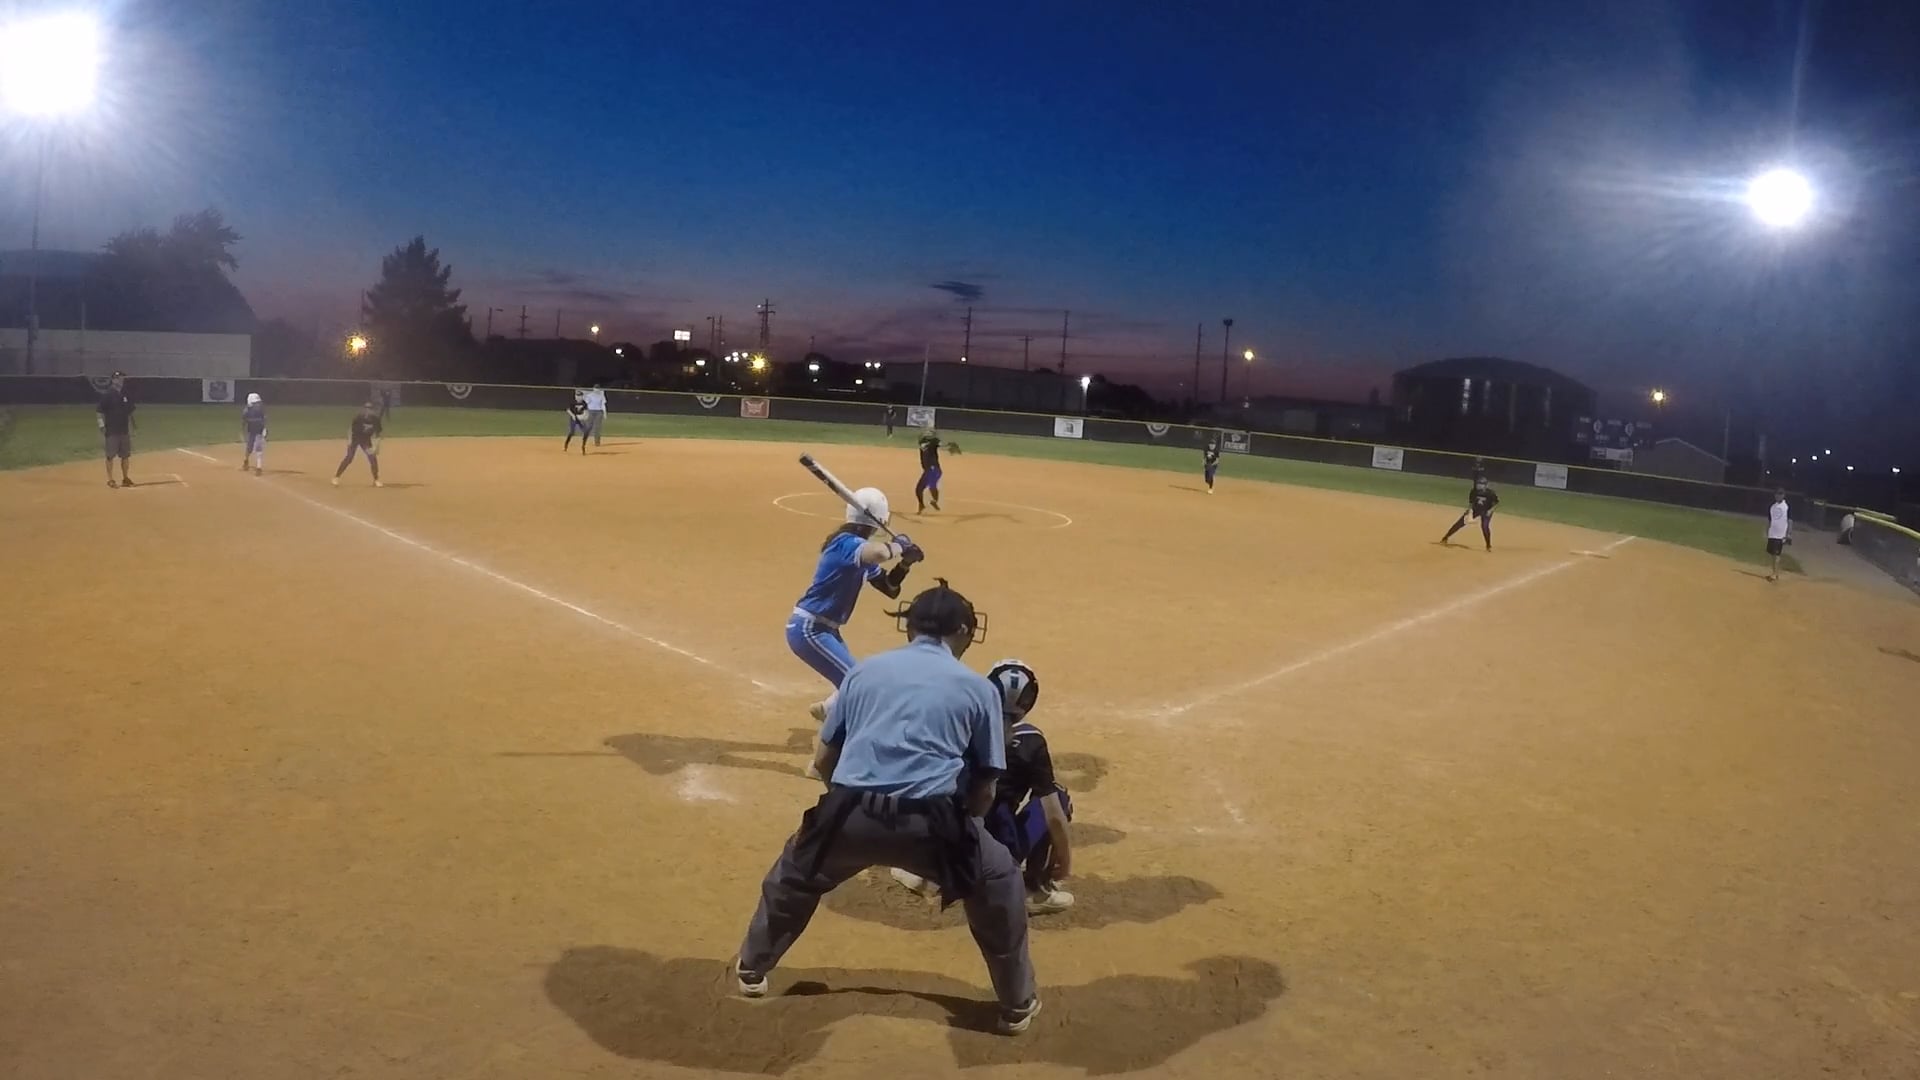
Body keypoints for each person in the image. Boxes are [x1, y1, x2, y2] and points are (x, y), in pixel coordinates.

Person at [733, 580, 1042, 1035]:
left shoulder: (863, 673)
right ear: (962, 630)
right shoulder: (978, 689)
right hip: (933, 825)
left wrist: (846, 810)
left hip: (849, 814)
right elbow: (984, 788)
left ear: (909, 626)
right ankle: (1016, 1004)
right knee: (999, 881)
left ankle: (752, 968)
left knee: (793, 875)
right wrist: (966, 834)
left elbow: (824, 760)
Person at [894, 659, 1076, 915]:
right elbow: (1053, 815)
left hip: (938, 841)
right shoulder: (1030, 742)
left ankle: (923, 870)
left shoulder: (957, 724)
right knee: (1058, 796)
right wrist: (1065, 861)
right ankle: (1033, 890)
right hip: (993, 853)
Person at [787, 488, 923, 746]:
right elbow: (880, 553)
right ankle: (832, 747)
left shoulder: (859, 551)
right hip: (809, 629)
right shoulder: (846, 543)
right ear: (879, 519)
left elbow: (889, 588)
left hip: (826, 631)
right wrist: (899, 545)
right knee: (859, 685)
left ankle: (829, 709)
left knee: (856, 678)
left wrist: (905, 563)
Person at [96, 371, 135, 489]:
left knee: (125, 456)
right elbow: (99, 412)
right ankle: (110, 479)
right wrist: (101, 426)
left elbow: (129, 413)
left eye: (122, 378)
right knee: (110, 456)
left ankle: (125, 478)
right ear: (113, 380)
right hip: (112, 430)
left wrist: (132, 427)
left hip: (124, 430)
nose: (121, 380)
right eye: (118, 378)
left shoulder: (125, 395)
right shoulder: (107, 395)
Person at [1441, 472, 1500, 551]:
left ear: (1485, 485)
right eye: (1478, 483)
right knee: (1460, 523)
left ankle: (1488, 545)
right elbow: (1471, 503)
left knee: (1484, 526)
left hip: (1486, 511)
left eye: (1481, 484)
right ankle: (1446, 537)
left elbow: (1496, 503)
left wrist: (1490, 511)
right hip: (1476, 509)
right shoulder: (1474, 491)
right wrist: (1469, 511)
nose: (1479, 485)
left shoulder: (1490, 493)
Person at [332, 401, 385, 488]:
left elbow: (378, 432)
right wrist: (349, 440)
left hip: (366, 440)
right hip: (355, 439)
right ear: (363, 409)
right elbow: (351, 429)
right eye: (366, 408)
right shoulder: (359, 417)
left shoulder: (375, 419)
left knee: (372, 459)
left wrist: (376, 445)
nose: (368, 411)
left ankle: (376, 479)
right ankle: (336, 477)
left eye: (370, 409)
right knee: (349, 458)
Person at [915, 428, 951, 513]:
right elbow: (923, 445)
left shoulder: (934, 441)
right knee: (918, 489)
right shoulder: (922, 441)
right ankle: (922, 504)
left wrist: (948, 445)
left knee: (932, 486)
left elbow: (941, 445)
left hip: (934, 469)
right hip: (927, 470)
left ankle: (934, 501)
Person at [1766, 488, 1792, 582]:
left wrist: (1788, 533)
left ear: (1783, 495)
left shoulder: (1786, 507)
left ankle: (1774, 574)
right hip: (1772, 533)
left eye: (1780, 494)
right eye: (1777, 494)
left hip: (1780, 535)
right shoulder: (1772, 507)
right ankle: (1775, 573)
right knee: (1773, 554)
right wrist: (1767, 530)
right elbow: (1770, 520)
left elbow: (1790, 520)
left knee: (1776, 554)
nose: (1778, 496)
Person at [240, 392, 268, 475]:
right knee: (249, 448)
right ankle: (246, 460)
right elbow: (244, 422)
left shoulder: (261, 411)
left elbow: (264, 420)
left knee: (259, 447)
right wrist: (242, 431)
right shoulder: (246, 411)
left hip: (259, 430)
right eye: (255, 403)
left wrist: (264, 429)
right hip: (251, 431)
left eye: (258, 403)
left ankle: (259, 467)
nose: (257, 405)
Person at [582, 382, 608, 447]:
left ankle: (597, 442)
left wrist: (605, 413)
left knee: (597, 427)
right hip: (591, 411)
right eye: (595, 388)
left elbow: (603, 405)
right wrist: (586, 398)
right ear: (593, 389)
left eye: (598, 388)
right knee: (589, 426)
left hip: (599, 412)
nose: (596, 389)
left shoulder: (601, 396)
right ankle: (584, 440)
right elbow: (586, 403)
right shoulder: (590, 395)